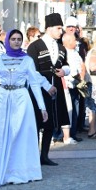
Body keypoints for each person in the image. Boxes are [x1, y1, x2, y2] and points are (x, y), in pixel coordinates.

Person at [0, 29, 54, 186]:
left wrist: (42, 107)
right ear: (8, 40)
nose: (16, 41)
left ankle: (18, 170)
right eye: (13, 39)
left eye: (19, 39)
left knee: (19, 134)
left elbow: (34, 84)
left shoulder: (28, 60)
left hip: (21, 99)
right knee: (0, 133)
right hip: (1, 99)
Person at [27, 13, 69, 166]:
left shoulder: (61, 47)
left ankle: (44, 155)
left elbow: (66, 64)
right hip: (39, 90)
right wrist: (46, 85)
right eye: (58, 28)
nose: (60, 31)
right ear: (49, 28)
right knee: (37, 123)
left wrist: (65, 71)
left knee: (51, 123)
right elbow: (32, 71)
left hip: (56, 88)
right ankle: (32, 156)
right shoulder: (35, 46)